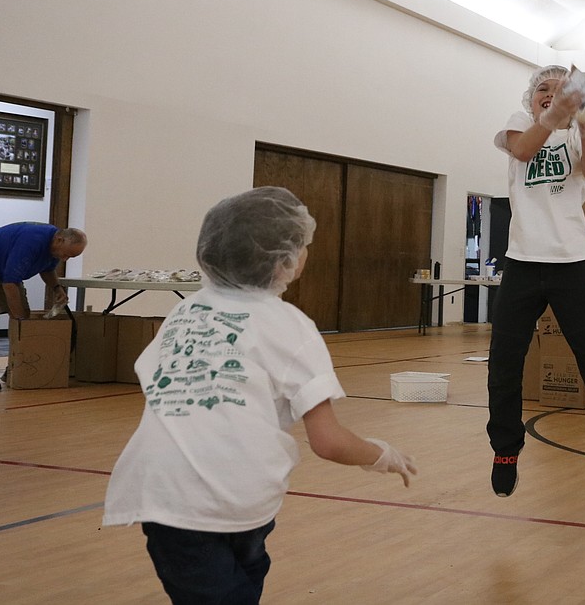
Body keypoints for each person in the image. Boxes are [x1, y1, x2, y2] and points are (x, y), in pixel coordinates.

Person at [102, 187, 416, 603]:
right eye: (302, 244)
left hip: (164, 493)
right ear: (285, 259)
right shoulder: (290, 325)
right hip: (237, 497)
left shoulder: (184, 311)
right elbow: (328, 440)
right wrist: (382, 455)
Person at [487, 64, 585, 502]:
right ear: (531, 100)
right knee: (504, 364)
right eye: (542, 91)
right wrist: (558, 108)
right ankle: (506, 450)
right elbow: (523, 151)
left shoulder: (574, 136)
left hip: (572, 264)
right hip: (522, 264)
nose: (549, 96)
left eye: (559, 90)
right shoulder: (520, 126)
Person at [0, 223, 86, 392]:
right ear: (59, 239)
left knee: (24, 316)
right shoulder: (30, 242)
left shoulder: (55, 247)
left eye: (70, 258)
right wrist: (20, 321)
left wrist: (57, 288)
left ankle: (14, 367)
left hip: (4, 270)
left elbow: (47, 270)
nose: (64, 259)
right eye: (66, 255)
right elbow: (9, 283)